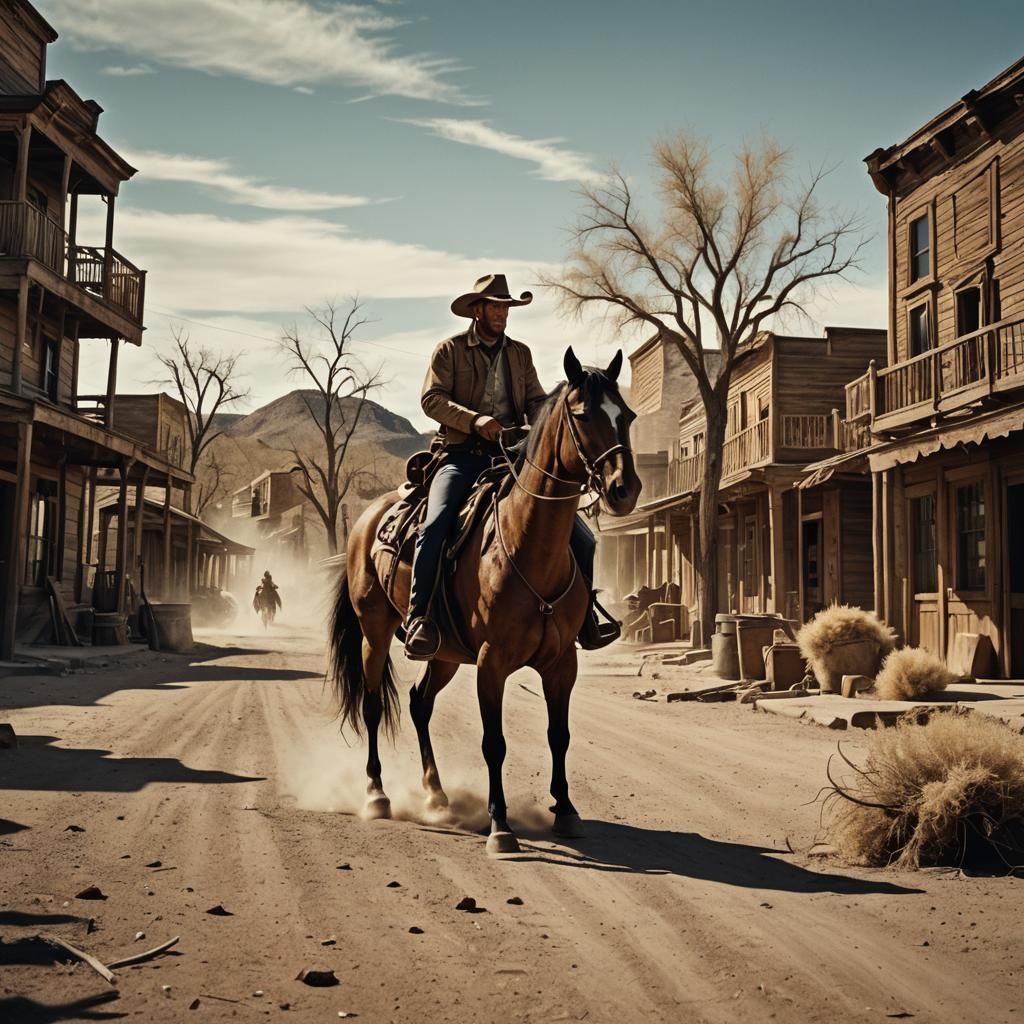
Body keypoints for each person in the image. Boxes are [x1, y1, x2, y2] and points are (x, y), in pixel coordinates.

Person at [402, 273, 620, 660]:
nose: (502, 313)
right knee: (435, 525)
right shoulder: (448, 351)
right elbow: (431, 399)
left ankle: (586, 617)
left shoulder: (520, 354)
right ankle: (421, 618)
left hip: (512, 458)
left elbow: (535, 401)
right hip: (460, 455)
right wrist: (474, 421)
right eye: (495, 306)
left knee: (583, 537)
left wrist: (546, 419)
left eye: (506, 307)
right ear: (477, 310)